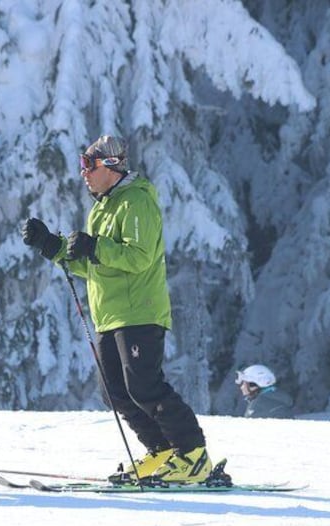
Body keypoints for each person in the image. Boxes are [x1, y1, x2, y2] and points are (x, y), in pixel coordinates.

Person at [21, 134, 212, 484]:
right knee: (114, 392)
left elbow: (138, 257)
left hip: (139, 311)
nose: (83, 173)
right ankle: (162, 451)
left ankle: (193, 455)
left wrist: (97, 247)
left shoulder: (135, 201)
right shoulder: (102, 208)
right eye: (82, 164)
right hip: (111, 315)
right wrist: (53, 247)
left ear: (111, 166)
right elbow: (94, 264)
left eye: (88, 165)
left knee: (145, 386)